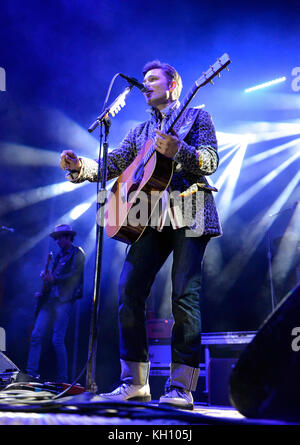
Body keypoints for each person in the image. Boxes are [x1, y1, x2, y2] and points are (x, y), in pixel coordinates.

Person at [60, 60, 222, 409]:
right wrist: (80, 168)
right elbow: (112, 164)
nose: (146, 85)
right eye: (144, 80)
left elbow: (209, 161)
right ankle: (134, 382)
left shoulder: (198, 117)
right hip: (148, 214)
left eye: (153, 79)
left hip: (191, 207)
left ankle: (181, 388)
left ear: (173, 85)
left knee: (184, 296)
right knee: (128, 291)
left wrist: (181, 152)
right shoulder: (138, 132)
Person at [26, 224, 85, 383]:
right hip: (49, 300)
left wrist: (55, 279)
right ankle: (31, 374)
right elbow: (52, 279)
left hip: (64, 300)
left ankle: (62, 380)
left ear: (68, 237)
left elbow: (74, 276)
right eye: (57, 238)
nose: (57, 241)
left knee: (57, 339)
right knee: (36, 335)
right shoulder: (58, 256)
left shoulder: (77, 253)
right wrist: (44, 288)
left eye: (60, 237)